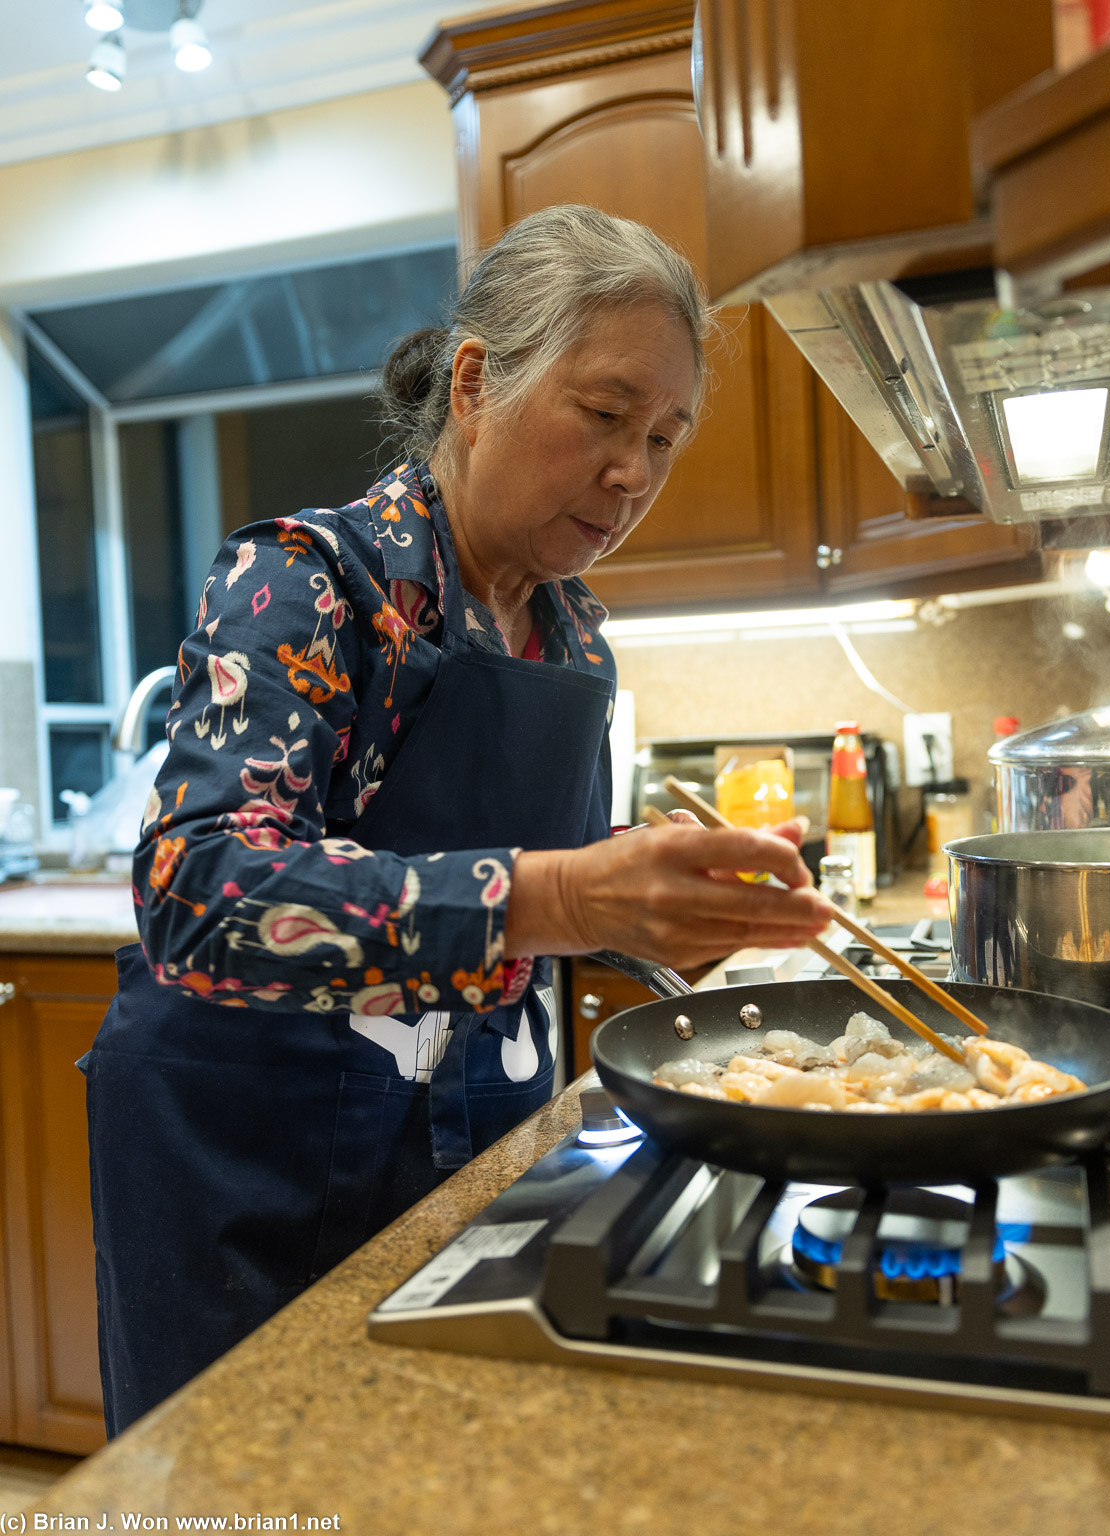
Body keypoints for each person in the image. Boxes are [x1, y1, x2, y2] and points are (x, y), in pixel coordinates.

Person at [86, 205, 834, 1435]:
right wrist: (572, 897)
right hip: (250, 1162)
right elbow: (199, 889)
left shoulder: (571, 627)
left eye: (663, 437)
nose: (633, 474)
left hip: (468, 1135)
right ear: (479, 379)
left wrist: (662, 921)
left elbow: (547, 882)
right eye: (604, 416)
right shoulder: (304, 580)